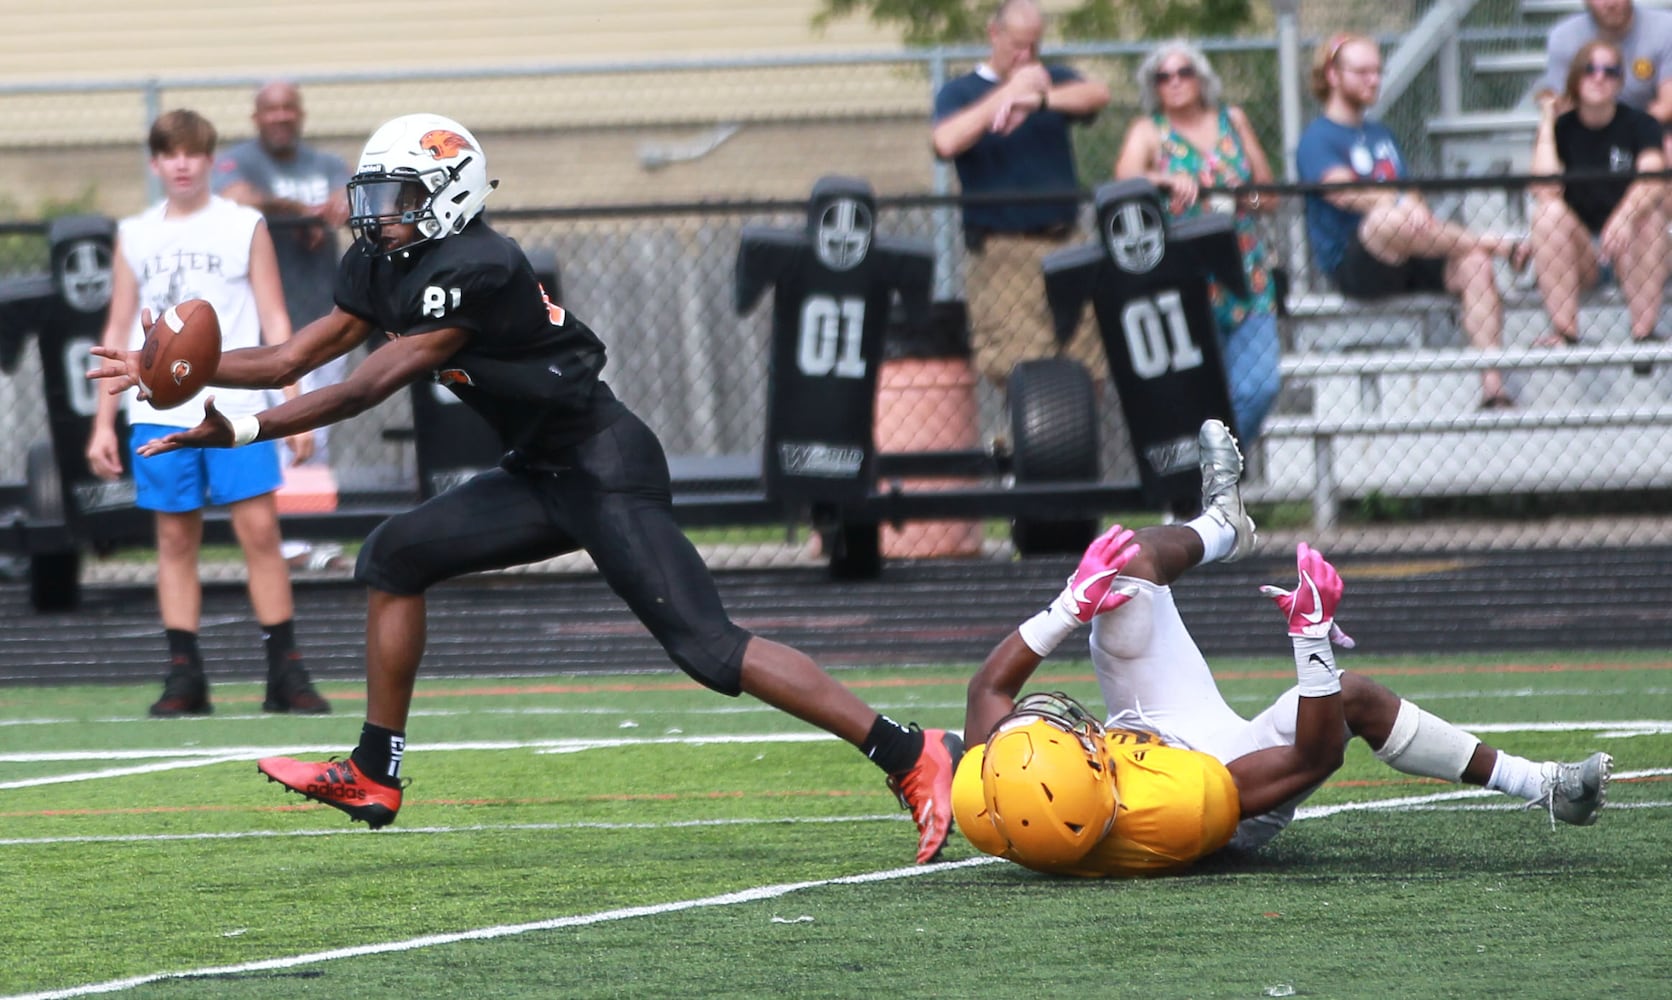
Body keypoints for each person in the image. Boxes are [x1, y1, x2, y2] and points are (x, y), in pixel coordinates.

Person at [88, 113, 963, 865]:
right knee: (393, 557)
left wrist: (235, 426)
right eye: (376, 196)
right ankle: (375, 769)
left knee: (708, 648)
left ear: (450, 195)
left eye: (398, 198)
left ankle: (910, 750)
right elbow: (292, 357)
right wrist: (167, 370)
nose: (378, 216)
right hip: (537, 468)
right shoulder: (386, 263)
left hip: (604, 464)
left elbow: (361, 388)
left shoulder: (480, 264)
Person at [953, 420, 1614, 876]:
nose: (1075, 728)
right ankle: (1544, 785)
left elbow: (986, 692)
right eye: (1077, 742)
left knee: (1124, 571)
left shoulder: (993, 801)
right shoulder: (1188, 806)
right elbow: (1315, 752)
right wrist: (1311, 640)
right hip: (1211, 769)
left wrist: (1073, 602)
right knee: (1351, 697)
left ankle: (1222, 523)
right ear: (1098, 777)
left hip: (1149, 740)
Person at [83, 109, 328, 718]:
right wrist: (100, 422)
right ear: (156, 163)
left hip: (235, 402)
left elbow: (276, 320)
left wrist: (293, 404)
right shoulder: (136, 233)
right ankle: (184, 674)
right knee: (174, 539)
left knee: (261, 534)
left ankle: (285, 672)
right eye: (171, 153)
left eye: (193, 152)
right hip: (158, 409)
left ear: (211, 160)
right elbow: (117, 328)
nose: (183, 163)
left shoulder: (243, 225)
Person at [1297, 33, 1529, 411]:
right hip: (1358, 263)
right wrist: (1397, 201)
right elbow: (1342, 192)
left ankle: (1492, 387)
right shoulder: (1317, 137)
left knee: (1474, 264)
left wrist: (1411, 205)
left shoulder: (1380, 134)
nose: (1374, 80)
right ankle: (1498, 243)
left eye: (1377, 71)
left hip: (1408, 249)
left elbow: (1412, 193)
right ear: (1333, 76)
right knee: (1385, 216)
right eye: (1362, 72)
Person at [931, 0, 1112, 387]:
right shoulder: (961, 91)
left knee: (1085, 369)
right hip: (1005, 254)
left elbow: (1097, 94)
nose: (1026, 55)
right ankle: (1022, 447)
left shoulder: (1051, 78)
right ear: (993, 34)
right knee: (1026, 374)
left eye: (1034, 45)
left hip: (1066, 244)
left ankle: (1071, 447)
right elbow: (945, 142)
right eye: (1017, 45)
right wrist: (1008, 93)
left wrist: (1041, 98)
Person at [1113, 38, 1282, 444]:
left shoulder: (1233, 121)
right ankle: (1203, 489)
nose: (1174, 82)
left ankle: (1210, 479)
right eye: (1163, 76)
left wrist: (1247, 196)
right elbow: (1121, 183)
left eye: (1183, 72)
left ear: (1200, 79)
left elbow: (1269, 197)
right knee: (1195, 399)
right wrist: (1165, 179)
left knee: (1258, 387)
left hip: (1246, 274)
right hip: (1184, 279)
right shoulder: (1149, 131)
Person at [214, 80, 353, 571]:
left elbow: (352, 195)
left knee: (320, 431)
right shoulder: (239, 161)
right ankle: (285, 541)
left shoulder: (325, 163)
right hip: (263, 327)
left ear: (301, 114)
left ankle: (314, 539)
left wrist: (339, 205)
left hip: (325, 317)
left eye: (288, 108)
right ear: (257, 117)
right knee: (276, 432)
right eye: (270, 109)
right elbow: (236, 197)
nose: (280, 117)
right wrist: (300, 213)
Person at [1529, 41, 1669, 347]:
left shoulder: (1640, 124)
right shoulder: (1560, 129)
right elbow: (1545, 187)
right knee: (1547, 213)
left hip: (1630, 248)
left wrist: (1623, 217)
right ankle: (1566, 334)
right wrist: (1546, 120)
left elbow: (1654, 177)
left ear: (1620, 81)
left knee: (1649, 214)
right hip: (1582, 254)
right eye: (1590, 69)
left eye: (1610, 71)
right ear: (1576, 77)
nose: (1599, 77)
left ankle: (1643, 334)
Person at [1538, 0, 1672, 135]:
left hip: (1651, 131)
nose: (1611, 3)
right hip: (1589, 133)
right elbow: (1564, 105)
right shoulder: (1564, 38)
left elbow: (1667, 105)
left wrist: (1623, 137)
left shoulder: (1665, 29)